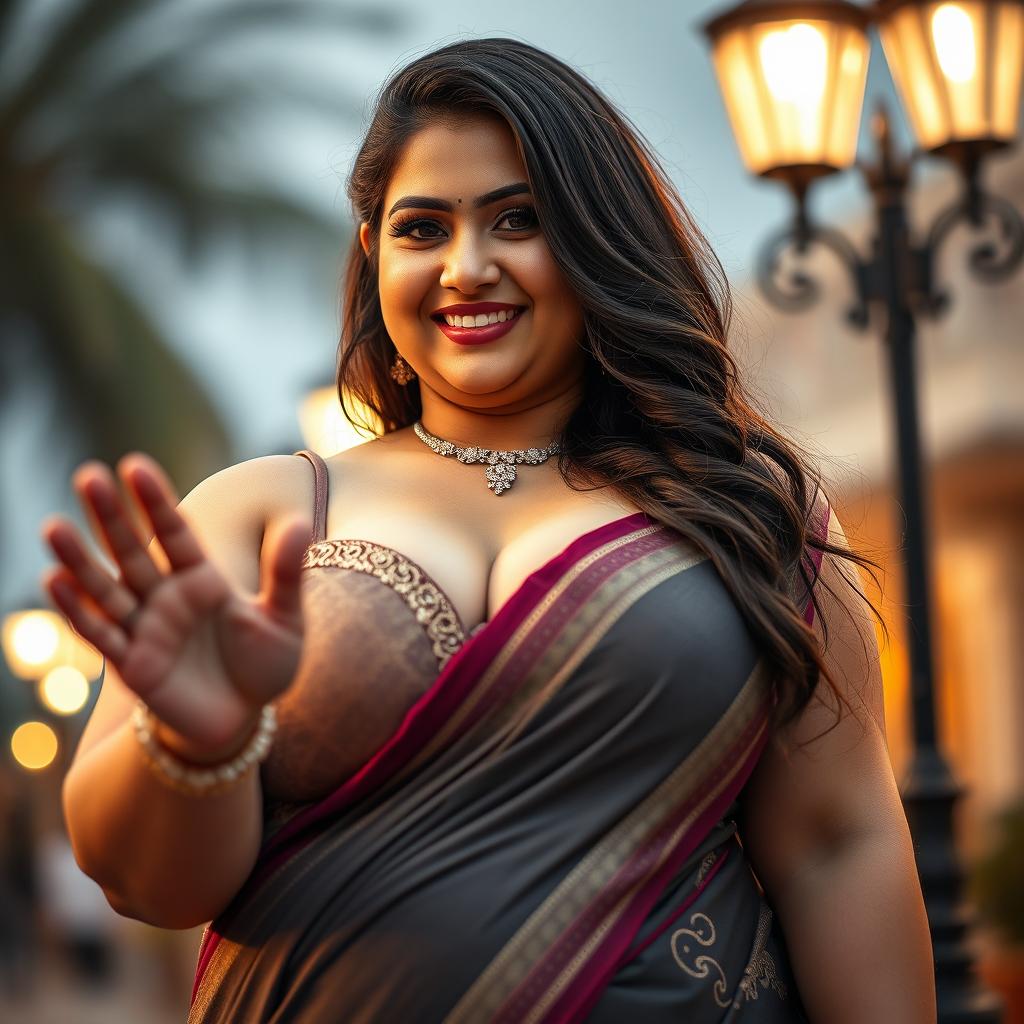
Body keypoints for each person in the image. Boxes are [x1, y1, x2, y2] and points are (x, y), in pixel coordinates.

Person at [42, 37, 936, 1023]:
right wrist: (198, 738)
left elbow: (834, 847)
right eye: (421, 228)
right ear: (374, 253)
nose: (468, 268)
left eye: (518, 219)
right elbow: (147, 888)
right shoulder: (262, 514)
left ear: (596, 237)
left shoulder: (744, 508)